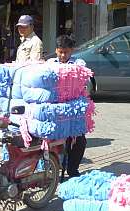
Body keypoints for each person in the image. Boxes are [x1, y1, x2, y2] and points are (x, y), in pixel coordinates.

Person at [47, 34, 87, 177]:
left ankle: (72, 169)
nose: (63, 55)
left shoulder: (79, 63)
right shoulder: (50, 63)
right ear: (56, 50)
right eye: (60, 51)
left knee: (79, 140)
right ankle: (50, 170)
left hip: (72, 108)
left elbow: (82, 77)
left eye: (66, 52)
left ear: (72, 50)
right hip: (55, 108)